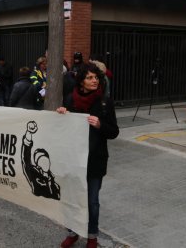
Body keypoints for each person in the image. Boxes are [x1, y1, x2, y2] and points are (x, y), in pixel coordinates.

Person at [56, 64, 119, 248]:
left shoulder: (105, 102)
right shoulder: (70, 100)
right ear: (81, 80)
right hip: (74, 160)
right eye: (90, 77)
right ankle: (73, 232)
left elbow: (114, 132)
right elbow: (62, 130)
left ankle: (92, 237)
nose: (95, 81)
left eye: (96, 78)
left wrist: (100, 125)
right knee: (73, 199)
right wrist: (62, 115)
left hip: (95, 161)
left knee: (92, 202)